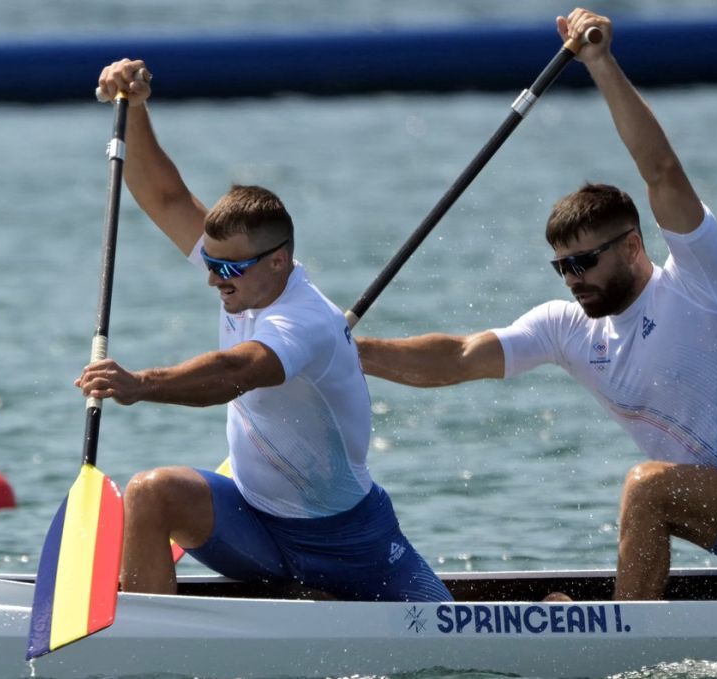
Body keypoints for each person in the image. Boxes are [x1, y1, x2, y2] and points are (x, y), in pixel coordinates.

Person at [356, 9, 717, 600]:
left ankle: (624, 634)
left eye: (585, 261)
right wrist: (351, 353)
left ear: (634, 246)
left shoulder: (696, 283)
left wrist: (600, 64)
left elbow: (661, 170)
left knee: (646, 488)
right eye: (562, 266)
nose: (572, 279)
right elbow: (459, 356)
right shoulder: (567, 329)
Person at [75, 59, 452, 603]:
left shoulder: (305, 321)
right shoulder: (242, 275)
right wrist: (133, 108)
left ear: (278, 261)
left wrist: (142, 384)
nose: (212, 277)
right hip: (257, 522)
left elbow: (237, 371)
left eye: (227, 268)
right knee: (151, 493)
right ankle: (146, 637)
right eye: (211, 262)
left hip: (346, 541)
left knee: (450, 632)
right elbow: (165, 198)